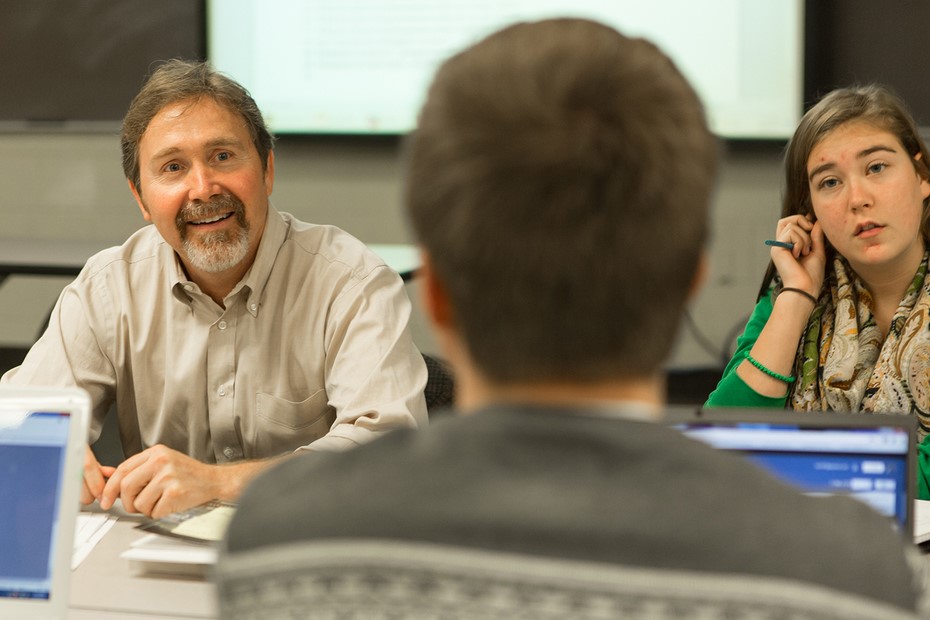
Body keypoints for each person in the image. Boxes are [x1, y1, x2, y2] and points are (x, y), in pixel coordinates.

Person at [216, 20, 930, 617]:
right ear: (687, 282)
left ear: (435, 296)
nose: (856, 197)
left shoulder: (281, 541)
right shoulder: (856, 574)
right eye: (831, 180)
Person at [0, 60, 428, 519]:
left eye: (222, 156)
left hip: (309, 547)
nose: (202, 189)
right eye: (173, 167)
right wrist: (42, 447)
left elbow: (390, 458)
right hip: (151, 562)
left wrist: (217, 483)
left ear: (266, 170)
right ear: (141, 198)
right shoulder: (109, 288)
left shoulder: (351, 282)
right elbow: (15, 421)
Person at [706, 84, 930, 498]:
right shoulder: (788, 298)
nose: (858, 199)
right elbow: (723, 440)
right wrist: (797, 295)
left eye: (877, 168)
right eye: (830, 182)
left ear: (921, 177)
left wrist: (788, 465)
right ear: (808, 211)